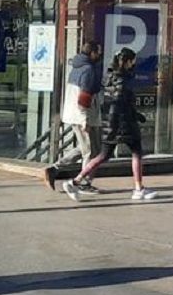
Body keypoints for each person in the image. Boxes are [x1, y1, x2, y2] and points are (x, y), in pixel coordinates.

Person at [63, 47, 156, 202]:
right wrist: (134, 115)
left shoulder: (109, 76)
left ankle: (75, 181)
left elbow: (110, 101)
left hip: (110, 123)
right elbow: (120, 102)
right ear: (127, 62)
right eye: (132, 61)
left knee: (103, 155)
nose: (134, 64)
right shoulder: (123, 80)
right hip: (124, 123)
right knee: (136, 152)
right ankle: (139, 189)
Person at [43, 41, 103, 191]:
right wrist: (85, 120)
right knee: (89, 151)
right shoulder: (88, 69)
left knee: (89, 148)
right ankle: (84, 183)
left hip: (77, 113)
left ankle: (54, 168)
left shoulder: (78, 66)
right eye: (98, 52)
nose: (100, 55)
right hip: (82, 115)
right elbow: (83, 97)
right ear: (92, 53)